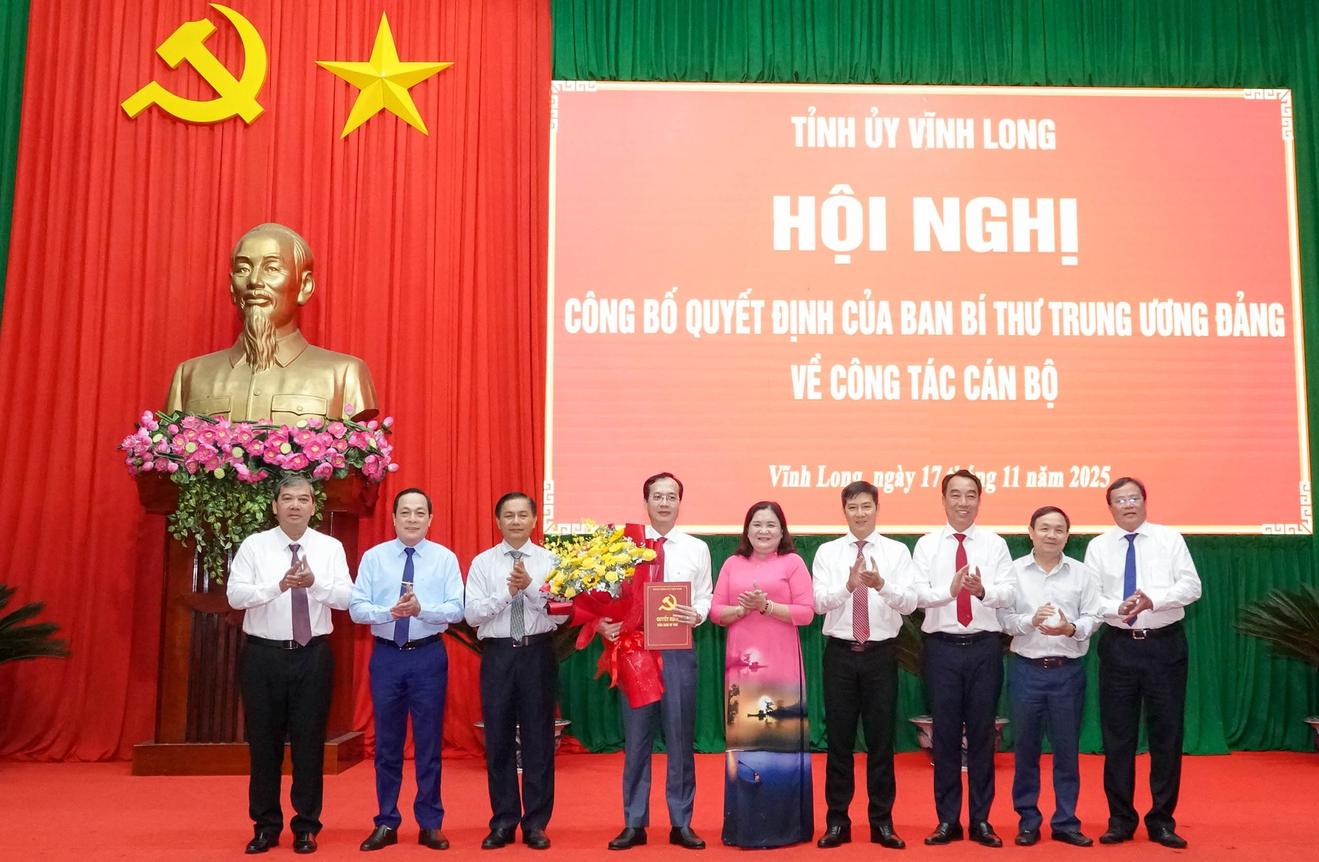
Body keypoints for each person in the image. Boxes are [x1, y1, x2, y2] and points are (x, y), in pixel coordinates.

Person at [227, 475, 352, 855]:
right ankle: (265, 827)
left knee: (309, 744)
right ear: (274, 506)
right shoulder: (255, 546)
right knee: (263, 744)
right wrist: (278, 586)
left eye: (302, 499)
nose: (295, 505)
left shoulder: (330, 547)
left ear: (314, 506)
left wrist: (314, 584)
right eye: (287, 498)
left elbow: (346, 598)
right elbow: (235, 596)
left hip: (313, 655)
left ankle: (306, 826)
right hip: (263, 656)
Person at [1084, 477, 1201, 849]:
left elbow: (1192, 586)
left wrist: (1154, 599)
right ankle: (1120, 820)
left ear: (1145, 502)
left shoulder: (1170, 539)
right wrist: (1116, 607)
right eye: (1120, 500)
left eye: (1134, 497)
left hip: (1164, 646)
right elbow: (1091, 598)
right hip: (1119, 646)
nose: (1128, 504)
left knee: (1167, 735)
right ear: (1111, 508)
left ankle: (1162, 820)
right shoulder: (1098, 546)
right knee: (1117, 738)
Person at [165, 223, 377, 423]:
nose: (254, 281)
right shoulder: (190, 376)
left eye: (272, 268)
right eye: (243, 269)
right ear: (232, 287)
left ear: (304, 286)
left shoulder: (344, 376)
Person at [349, 487, 464, 852]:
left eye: (419, 513)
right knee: (387, 744)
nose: (412, 519)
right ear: (394, 518)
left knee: (429, 743)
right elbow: (356, 608)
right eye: (405, 512)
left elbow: (456, 609)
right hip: (387, 657)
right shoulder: (374, 558)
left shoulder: (444, 559)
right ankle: (386, 821)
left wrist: (420, 610)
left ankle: (430, 823)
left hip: (428, 656)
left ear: (430, 519)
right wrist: (389, 613)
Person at [603, 472, 712, 851]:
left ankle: (681, 823)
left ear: (680, 502)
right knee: (636, 740)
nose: (664, 503)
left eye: (671, 497)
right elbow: (608, 594)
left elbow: (706, 596)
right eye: (657, 496)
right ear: (646, 501)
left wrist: (697, 614)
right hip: (635, 651)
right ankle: (634, 822)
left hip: (678, 651)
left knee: (680, 739)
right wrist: (603, 622)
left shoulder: (697, 548)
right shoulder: (625, 546)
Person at [912, 469, 1016, 847]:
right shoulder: (927, 545)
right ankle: (947, 820)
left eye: (970, 495)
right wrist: (950, 590)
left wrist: (983, 590)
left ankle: (981, 821)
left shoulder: (995, 544)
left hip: (985, 647)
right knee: (945, 737)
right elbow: (917, 595)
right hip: (941, 648)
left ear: (979, 500)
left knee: (983, 735)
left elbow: (1009, 592)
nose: (963, 502)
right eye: (955, 495)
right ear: (943, 500)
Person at [811, 480, 915, 850]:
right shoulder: (827, 552)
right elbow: (818, 604)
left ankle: (882, 823)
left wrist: (882, 584)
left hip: (880, 655)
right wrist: (848, 586)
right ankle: (837, 822)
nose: (860, 514)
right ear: (844, 511)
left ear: (876, 508)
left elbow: (909, 603)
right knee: (839, 743)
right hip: (840, 654)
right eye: (853, 507)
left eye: (866, 506)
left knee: (881, 742)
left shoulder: (896, 552)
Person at [465, 492, 567, 850]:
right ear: (498, 521)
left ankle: (536, 824)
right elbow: (472, 615)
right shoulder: (483, 563)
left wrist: (532, 590)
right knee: (498, 739)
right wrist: (508, 594)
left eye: (523, 515)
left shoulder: (551, 560)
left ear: (535, 520)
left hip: (537, 652)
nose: (516, 521)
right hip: (498, 655)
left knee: (539, 739)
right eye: (508, 515)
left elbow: (562, 613)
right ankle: (503, 822)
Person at [998, 506, 1104, 848]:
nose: (1051, 535)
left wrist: (1070, 628)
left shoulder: (1082, 574)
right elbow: (1004, 620)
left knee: (1067, 751)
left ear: (1067, 535)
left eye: (1059, 529)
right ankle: (1028, 821)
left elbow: (1094, 616)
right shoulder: (1012, 572)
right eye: (1044, 528)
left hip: (1067, 673)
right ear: (1030, 532)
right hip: (1026, 670)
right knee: (1025, 750)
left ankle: (1066, 822)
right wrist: (1030, 621)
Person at [709, 501, 814, 848]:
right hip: (743, 669)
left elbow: (806, 613)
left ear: (782, 531)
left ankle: (785, 828)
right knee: (746, 745)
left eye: (771, 525)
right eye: (757, 524)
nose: (763, 531)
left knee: (780, 746)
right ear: (747, 530)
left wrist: (766, 606)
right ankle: (746, 827)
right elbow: (715, 612)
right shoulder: (732, 564)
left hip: (782, 668)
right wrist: (742, 609)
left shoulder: (793, 563)